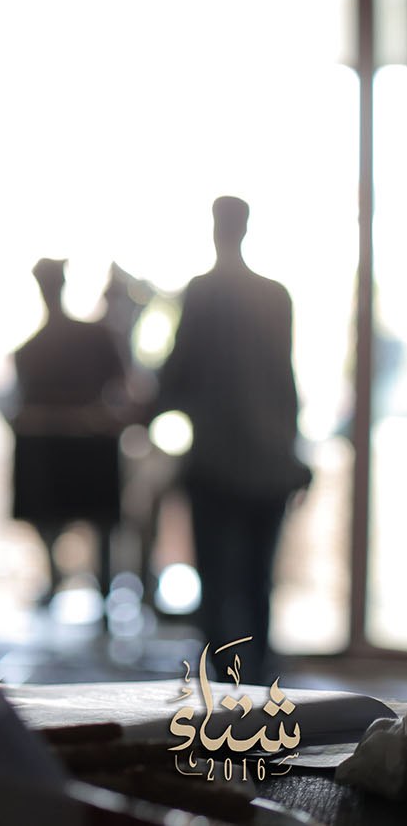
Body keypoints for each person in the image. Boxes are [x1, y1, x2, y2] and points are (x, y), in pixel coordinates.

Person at [152, 196, 310, 669]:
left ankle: (227, 690)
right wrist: (291, 451)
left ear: (216, 229)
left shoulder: (204, 292)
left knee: (219, 586)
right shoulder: (276, 295)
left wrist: (148, 408)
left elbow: (177, 375)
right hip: (271, 462)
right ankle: (260, 682)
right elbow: (285, 384)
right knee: (259, 583)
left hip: (219, 464)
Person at [8, 258, 129, 607]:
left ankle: (101, 587)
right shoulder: (32, 349)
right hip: (61, 449)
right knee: (58, 515)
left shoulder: (89, 338)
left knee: (98, 520)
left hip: (87, 448)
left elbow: (123, 388)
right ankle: (69, 580)